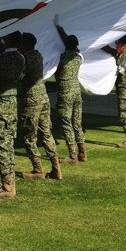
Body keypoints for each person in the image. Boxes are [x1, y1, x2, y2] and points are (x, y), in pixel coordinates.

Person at [0, 33, 25, 199]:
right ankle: (9, 183)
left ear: (4, 40)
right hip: (12, 104)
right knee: (8, 143)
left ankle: (7, 187)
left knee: (0, 144)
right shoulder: (21, 58)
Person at [19, 32, 62, 179]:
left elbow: (19, 76)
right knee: (46, 133)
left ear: (24, 44)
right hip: (43, 96)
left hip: (32, 99)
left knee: (29, 136)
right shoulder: (38, 55)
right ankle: (56, 168)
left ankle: (37, 169)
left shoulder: (27, 58)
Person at [55, 26, 86, 163]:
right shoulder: (78, 56)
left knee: (66, 122)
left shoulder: (62, 58)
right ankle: (82, 153)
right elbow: (70, 45)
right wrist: (62, 32)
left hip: (65, 93)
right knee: (77, 123)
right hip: (76, 92)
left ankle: (72, 155)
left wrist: (60, 30)